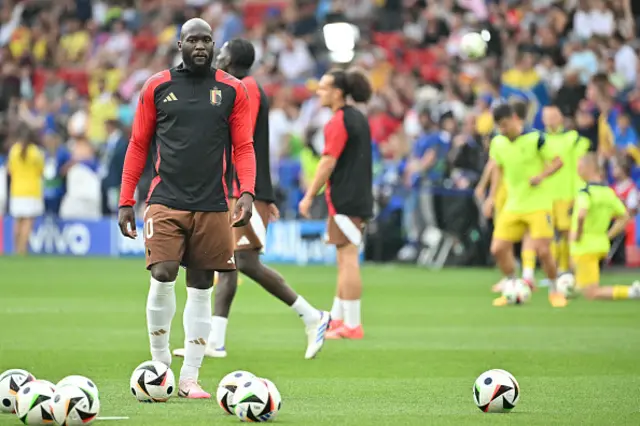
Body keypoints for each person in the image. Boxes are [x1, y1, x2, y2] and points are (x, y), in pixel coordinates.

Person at [117, 18, 256, 400]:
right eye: (193, 39)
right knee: (162, 273)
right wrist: (126, 199)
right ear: (179, 44)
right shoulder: (157, 86)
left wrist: (247, 192)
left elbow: (243, 146)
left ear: (214, 46)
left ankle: (190, 377)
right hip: (166, 199)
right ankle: (159, 366)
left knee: (200, 285)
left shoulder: (231, 90)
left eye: (207, 40)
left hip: (213, 203)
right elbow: (138, 145)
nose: (200, 46)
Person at [172, 38, 330, 361]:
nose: (217, 54)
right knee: (228, 264)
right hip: (238, 188)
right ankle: (215, 340)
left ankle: (312, 316)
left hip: (246, 189)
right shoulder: (239, 86)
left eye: (222, 51)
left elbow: (240, 136)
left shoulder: (248, 87)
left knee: (245, 262)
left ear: (232, 58)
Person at [299, 68, 373, 339]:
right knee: (344, 259)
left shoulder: (338, 121)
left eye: (324, 88)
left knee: (348, 257)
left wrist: (308, 195)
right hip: (356, 195)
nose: (319, 93)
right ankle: (338, 319)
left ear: (338, 92)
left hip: (345, 198)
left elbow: (328, 161)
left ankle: (352, 325)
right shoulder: (358, 118)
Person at [483, 104, 566, 307]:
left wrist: (541, 176)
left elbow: (557, 162)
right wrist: (491, 197)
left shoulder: (535, 138)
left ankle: (555, 290)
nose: (503, 130)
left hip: (538, 203)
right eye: (499, 127)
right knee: (498, 249)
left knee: (544, 251)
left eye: (505, 125)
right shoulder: (498, 143)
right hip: (514, 203)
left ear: (514, 118)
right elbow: (497, 170)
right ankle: (512, 284)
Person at [476, 101, 537, 292]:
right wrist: (486, 190)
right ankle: (516, 275)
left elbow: (494, 167)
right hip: (506, 191)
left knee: (521, 232)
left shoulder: (529, 138)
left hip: (517, 191)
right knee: (504, 237)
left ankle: (524, 275)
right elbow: (494, 165)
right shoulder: (501, 140)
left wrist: (488, 192)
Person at [570, 153, 640, 300]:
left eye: (579, 167)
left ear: (589, 168)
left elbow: (582, 214)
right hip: (600, 244)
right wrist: (608, 235)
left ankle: (633, 292)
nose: (578, 171)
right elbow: (625, 216)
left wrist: (578, 233)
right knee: (580, 282)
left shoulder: (586, 192)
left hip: (585, 246)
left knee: (591, 293)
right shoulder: (608, 192)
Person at [541, 106, 590, 276]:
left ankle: (565, 269)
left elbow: (580, 165)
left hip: (566, 193)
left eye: (554, 116)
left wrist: (578, 190)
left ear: (561, 118)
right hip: (545, 195)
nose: (550, 120)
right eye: (547, 117)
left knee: (566, 232)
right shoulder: (539, 140)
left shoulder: (573, 139)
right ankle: (553, 270)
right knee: (548, 235)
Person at [7, 126, 45, 255]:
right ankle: (22, 251)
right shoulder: (35, 152)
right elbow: (41, 171)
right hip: (31, 190)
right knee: (28, 221)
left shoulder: (14, 150)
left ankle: (15, 249)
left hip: (17, 190)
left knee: (17, 221)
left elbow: (9, 170)